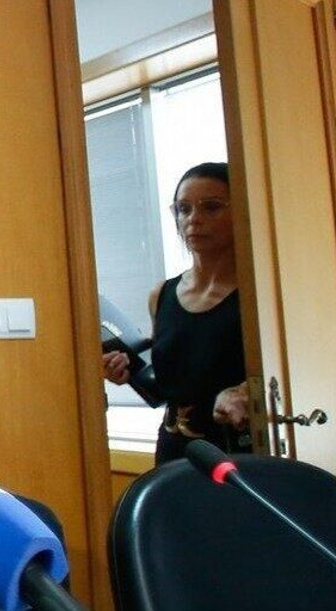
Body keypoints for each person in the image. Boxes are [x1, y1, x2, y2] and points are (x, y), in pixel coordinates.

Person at [103, 162, 251, 463]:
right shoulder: (162, 295)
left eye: (211, 207)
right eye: (184, 209)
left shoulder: (258, 293)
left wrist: (246, 393)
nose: (194, 220)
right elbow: (174, 378)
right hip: (173, 447)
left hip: (235, 450)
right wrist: (126, 371)